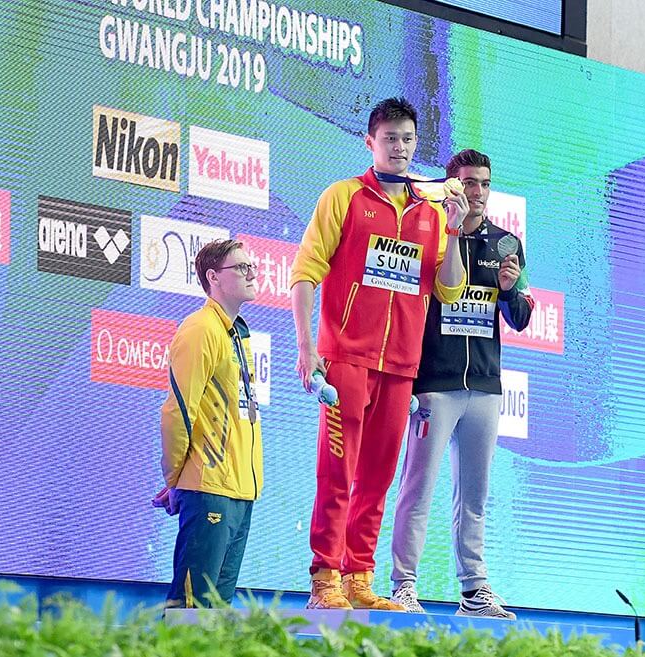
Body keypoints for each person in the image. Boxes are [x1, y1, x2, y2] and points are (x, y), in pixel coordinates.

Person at [289, 97, 468, 610]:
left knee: (379, 477)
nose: (400, 147)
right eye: (390, 138)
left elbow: (450, 290)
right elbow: (304, 275)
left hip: (401, 367)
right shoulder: (343, 196)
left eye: (408, 139)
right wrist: (307, 349)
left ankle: (359, 578)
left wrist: (454, 229)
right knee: (337, 472)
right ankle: (325, 577)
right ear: (371, 142)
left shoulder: (431, 211)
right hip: (345, 358)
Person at [389, 149, 532, 618]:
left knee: (475, 494)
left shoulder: (507, 245)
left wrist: (510, 289)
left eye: (484, 184)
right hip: (435, 384)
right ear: (451, 185)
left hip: (486, 388)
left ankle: (474, 589)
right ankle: (403, 585)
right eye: (468, 183)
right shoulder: (428, 235)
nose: (477, 193)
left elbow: (520, 318)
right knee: (418, 488)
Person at [158, 239, 264, 608]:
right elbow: (178, 412)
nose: (253, 273)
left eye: (252, 266)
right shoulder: (200, 329)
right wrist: (175, 480)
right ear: (213, 277)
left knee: (217, 611)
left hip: (240, 490)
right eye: (242, 268)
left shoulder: (235, 334)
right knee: (192, 607)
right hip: (209, 487)